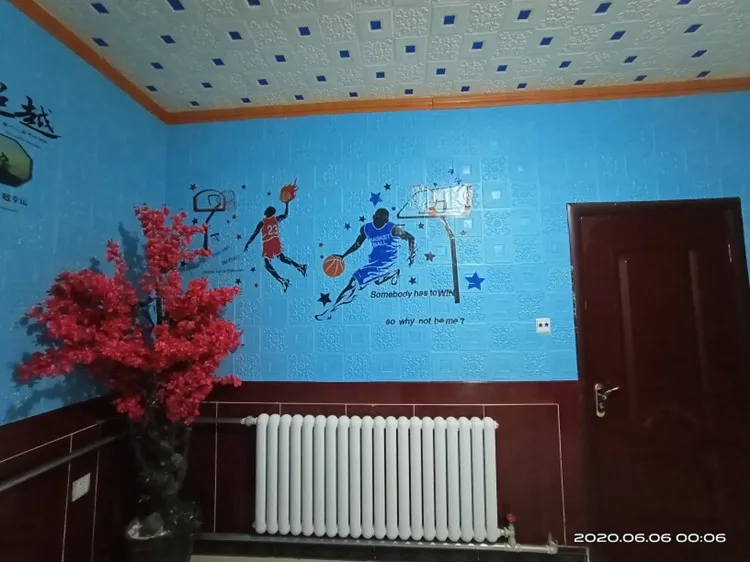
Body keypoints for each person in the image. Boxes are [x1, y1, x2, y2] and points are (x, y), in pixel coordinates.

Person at [316, 208, 415, 320]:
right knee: (377, 281)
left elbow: (411, 238)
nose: (377, 220)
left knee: (354, 282)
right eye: (376, 217)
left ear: (386, 220)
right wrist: (343, 255)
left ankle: (330, 311)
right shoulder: (366, 228)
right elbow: (357, 244)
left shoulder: (393, 229)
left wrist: (411, 255)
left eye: (381, 219)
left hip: (388, 260)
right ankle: (394, 273)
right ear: (374, 216)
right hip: (375, 260)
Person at [245, 201, 306, 292]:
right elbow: (285, 215)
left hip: (268, 243)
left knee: (268, 264)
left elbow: (255, 234)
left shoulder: (262, 222)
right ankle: (300, 267)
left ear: (268, 212)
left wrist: (248, 243)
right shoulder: (276, 219)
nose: (265, 210)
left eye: (266, 210)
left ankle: (283, 280)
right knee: (282, 259)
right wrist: (287, 204)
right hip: (275, 241)